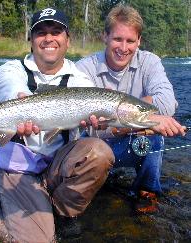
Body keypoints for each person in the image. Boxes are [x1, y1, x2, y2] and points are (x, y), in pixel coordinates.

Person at [0, 7, 115, 242]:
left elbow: (97, 126)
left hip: (54, 167)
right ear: (31, 40)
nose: (49, 38)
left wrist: (98, 123)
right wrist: (19, 105)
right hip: (17, 168)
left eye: (56, 32)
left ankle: (54, 214)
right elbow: (12, 92)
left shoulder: (80, 80)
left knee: (99, 152)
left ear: (67, 40)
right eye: (41, 32)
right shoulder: (10, 69)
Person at [76, 4, 186, 214]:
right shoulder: (84, 68)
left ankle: (147, 192)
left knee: (154, 136)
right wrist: (141, 117)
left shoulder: (150, 62)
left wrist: (117, 112)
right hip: (92, 148)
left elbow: (168, 102)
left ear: (139, 41)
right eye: (117, 39)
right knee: (152, 123)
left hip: (129, 143)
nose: (123, 47)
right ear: (105, 37)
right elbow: (94, 128)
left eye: (130, 41)